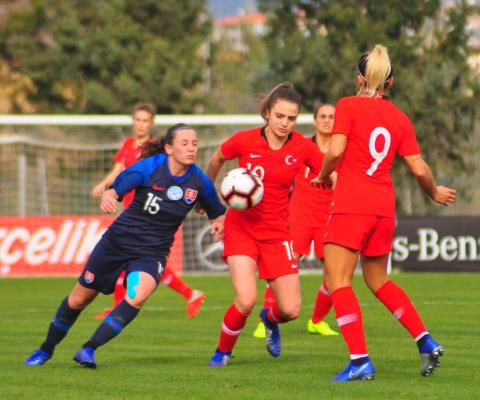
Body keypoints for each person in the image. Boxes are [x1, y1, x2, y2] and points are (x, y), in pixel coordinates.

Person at [24, 124, 226, 368]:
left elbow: (218, 215)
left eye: (194, 143)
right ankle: (46, 349)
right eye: (184, 143)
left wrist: (218, 225)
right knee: (79, 300)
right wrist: (109, 196)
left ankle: (89, 349)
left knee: (137, 295)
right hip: (117, 243)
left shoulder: (200, 182)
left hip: (153, 251)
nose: (191, 148)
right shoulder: (148, 168)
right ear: (169, 148)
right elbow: (114, 191)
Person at [313, 45, 456, 381]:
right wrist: (434, 192)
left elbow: (335, 149)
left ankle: (360, 360)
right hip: (382, 209)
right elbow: (419, 169)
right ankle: (425, 340)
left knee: (338, 282)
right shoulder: (400, 118)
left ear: (359, 78)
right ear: (390, 83)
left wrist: (322, 175)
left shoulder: (347, 105)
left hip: (351, 205)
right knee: (378, 279)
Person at [206, 82, 325, 367]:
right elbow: (217, 157)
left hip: (277, 234)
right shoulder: (244, 140)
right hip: (241, 229)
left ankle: (269, 319)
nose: (285, 123)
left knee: (291, 310)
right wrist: (209, 198)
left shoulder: (301, 147)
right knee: (246, 299)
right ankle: (222, 353)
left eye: (292, 118)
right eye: (280, 116)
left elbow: (328, 172)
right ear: (267, 113)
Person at [91, 103, 206, 320]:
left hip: (150, 211)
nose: (141, 124)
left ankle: (190, 293)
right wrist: (104, 185)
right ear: (133, 121)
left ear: (151, 124)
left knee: (137, 261)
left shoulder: (155, 148)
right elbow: (118, 171)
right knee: (129, 260)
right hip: (130, 208)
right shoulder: (127, 144)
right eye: (138, 119)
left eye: (145, 120)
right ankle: (190, 294)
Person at [253, 104, 339, 339]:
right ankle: (265, 319)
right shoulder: (301, 147)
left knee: (334, 273)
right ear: (314, 121)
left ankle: (317, 321)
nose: (327, 121)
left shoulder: (340, 150)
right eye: (323, 116)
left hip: (327, 218)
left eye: (332, 117)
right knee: (281, 269)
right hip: (298, 216)